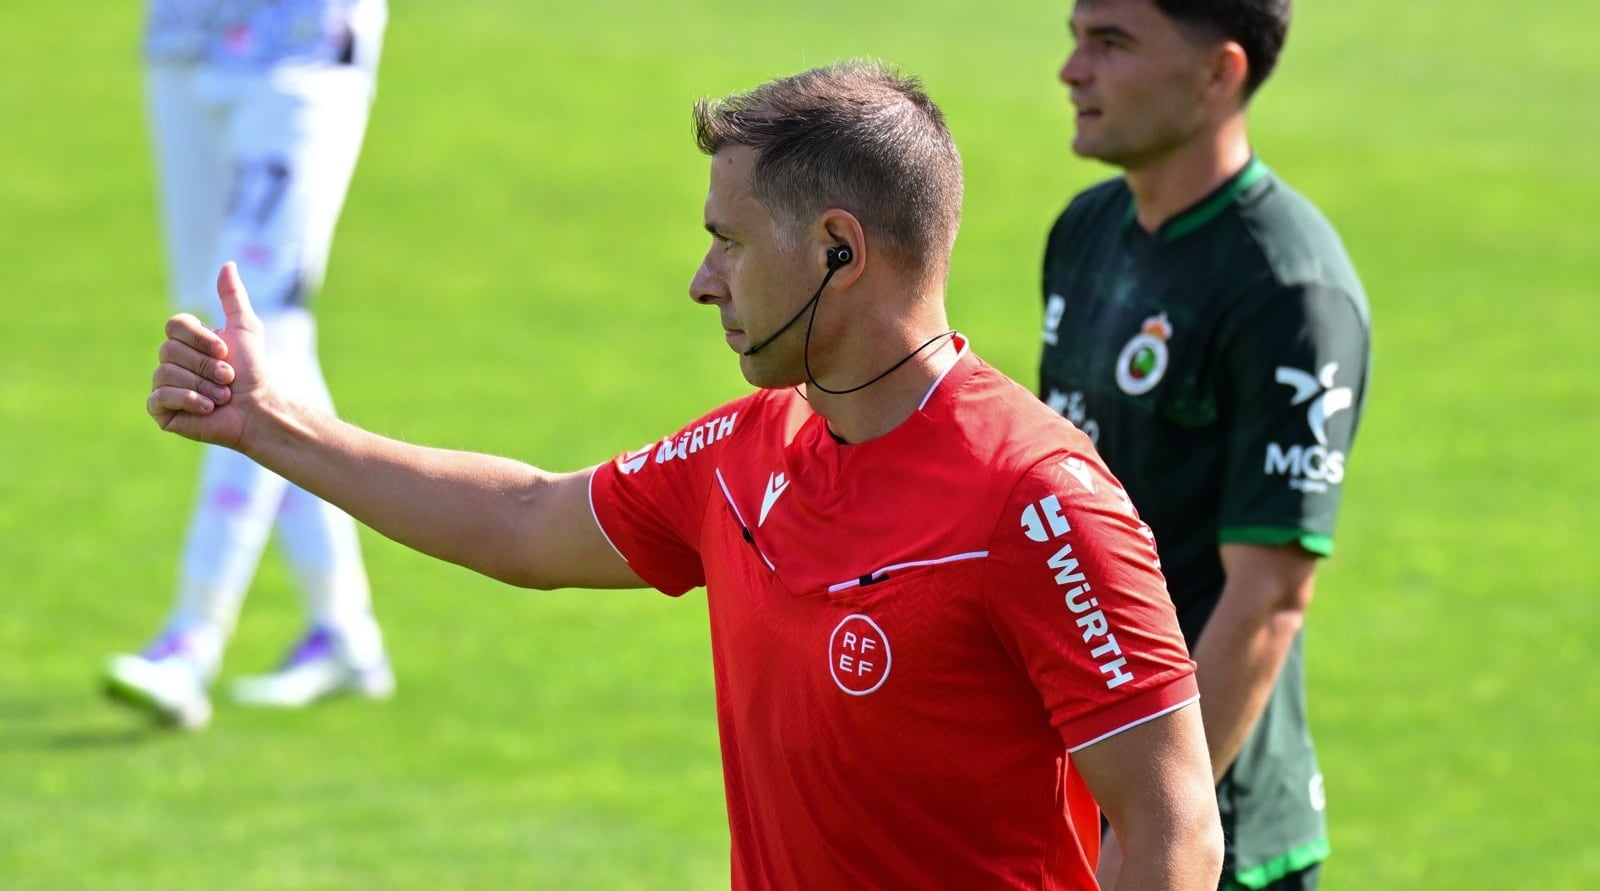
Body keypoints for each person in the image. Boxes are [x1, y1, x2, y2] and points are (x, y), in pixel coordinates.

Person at [146, 61, 1223, 888]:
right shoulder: (747, 451)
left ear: (838, 250)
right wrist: (273, 426)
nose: (702, 282)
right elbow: (528, 520)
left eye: (730, 241)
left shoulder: (1034, 498)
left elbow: (1172, 826)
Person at [1037, 1, 1372, 888]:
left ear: (1220, 73)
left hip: (1205, 830)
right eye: (1075, 38)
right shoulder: (1084, 232)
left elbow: (1269, 598)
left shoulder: (1289, 292)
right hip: (1084, 782)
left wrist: (1149, 827)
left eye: (1110, 44)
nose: (1073, 70)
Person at [105, 0, 394, 730]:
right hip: (184, 37)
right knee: (234, 326)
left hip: (299, 46)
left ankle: (192, 638)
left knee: (249, 333)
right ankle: (343, 629)